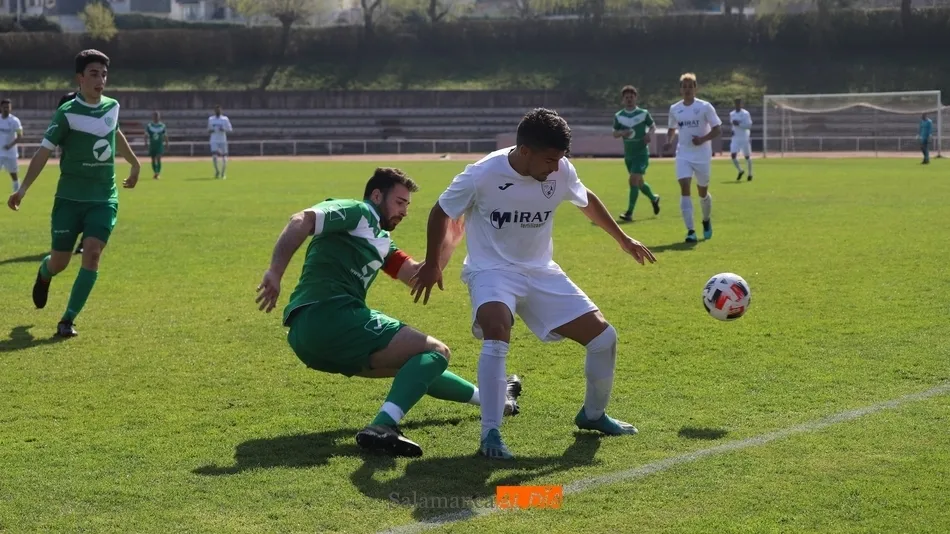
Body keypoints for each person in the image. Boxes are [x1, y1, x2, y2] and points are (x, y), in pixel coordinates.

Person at [410, 108, 657, 460]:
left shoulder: (561, 169)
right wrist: (433, 262)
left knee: (604, 338)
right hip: (491, 270)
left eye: (560, 159)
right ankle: (490, 432)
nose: (556, 168)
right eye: (550, 160)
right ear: (525, 151)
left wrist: (623, 239)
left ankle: (593, 415)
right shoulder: (481, 174)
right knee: (497, 329)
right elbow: (441, 211)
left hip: (541, 271)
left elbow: (585, 199)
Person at [254, 167, 523, 458]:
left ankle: (499, 402)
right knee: (437, 352)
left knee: (418, 367)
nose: (404, 211)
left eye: (407, 205)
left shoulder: (380, 240)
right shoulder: (358, 212)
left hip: (308, 337)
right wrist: (275, 272)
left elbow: (417, 277)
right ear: (376, 195)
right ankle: (383, 425)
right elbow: (302, 219)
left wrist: (449, 243)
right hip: (330, 316)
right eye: (399, 202)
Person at [6, 49, 141, 338]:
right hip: (69, 200)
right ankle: (45, 273)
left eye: (104, 74)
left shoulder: (113, 106)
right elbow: (43, 152)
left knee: (92, 255)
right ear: (80, 77)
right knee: (60, 262)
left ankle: (67, 319)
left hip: (103, 198)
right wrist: (23, 189)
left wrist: (134, 163)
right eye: (93, 74)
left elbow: (115, 132)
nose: (100, 80)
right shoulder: (66, 113)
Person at [664, 73, 722, 243]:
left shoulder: (705, 107)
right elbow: (671, 128)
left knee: (702, 192)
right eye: (685, 86)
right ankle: (690, 231)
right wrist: (669, 141)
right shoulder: (675, 108)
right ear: (680, 89)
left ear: (696, 88)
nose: (687, 89)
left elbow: (717, 129)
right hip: (683, 154)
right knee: (684, 187)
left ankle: (706, 220)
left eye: (691, 86)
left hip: (702, 155)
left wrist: (702, 139)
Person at [612, 85, 661, 222]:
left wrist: (649, 134)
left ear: (636, 98)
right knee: (639, 183)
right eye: (626, 97)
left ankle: (629, 213)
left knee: (633, 180)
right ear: (623, 99)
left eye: (631, 97)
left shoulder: (643, 113)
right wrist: (622, 132)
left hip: (641, 153)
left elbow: (653, 126)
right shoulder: (619, 116)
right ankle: (654, 198)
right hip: (629, 155)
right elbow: (614, 133)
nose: (629, 99)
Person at [0, 98, 23, 193]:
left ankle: (16, 191)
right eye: (4, 107)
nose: (6, 109)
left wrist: (10, 145)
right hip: (0, 152)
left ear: (10, 108)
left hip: (11, 153)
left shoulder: (15, 121)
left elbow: (20, 136)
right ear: (1, 108)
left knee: (13, 173)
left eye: (8, 107)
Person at [729, 98, 754, 181]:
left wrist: (739, 124)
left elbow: (749, 126)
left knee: (747, 156)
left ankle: (750, 174)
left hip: (744, 137)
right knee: (733, 155)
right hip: (735, 138)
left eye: (739, 103)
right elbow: (733, 125)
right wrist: (732, 131)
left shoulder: (746, 114)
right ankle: (740, 170)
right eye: (736, 103)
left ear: (742, 104)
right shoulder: (732, 114)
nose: (738, 105)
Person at [207, 105, 232, 179]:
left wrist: (223, 129)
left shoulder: (225, 119)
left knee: (224, 157)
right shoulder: (211, 119)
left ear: (221, 111)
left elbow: (230, 129)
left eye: (219, 110)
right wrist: (212, 130)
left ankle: (223, 173)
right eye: (216, 110)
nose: (217, 111)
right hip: (214, 140)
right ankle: (217, 171)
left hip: (222, 140)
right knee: (214, 156)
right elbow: (208, 129)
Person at [146, 111, 168, 179]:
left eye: (157, 116)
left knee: (158, 158)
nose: (156, 117)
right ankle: (155, 172)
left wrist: (167, 143)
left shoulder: (162, 126)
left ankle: (157, 173)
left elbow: (165, 135)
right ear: (153, 117)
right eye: (155, 116)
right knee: (153, 159)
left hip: (159, 145)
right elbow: (146, 135)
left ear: (159, 117)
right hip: (152, 145)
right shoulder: (149, 126)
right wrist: (145, 143)